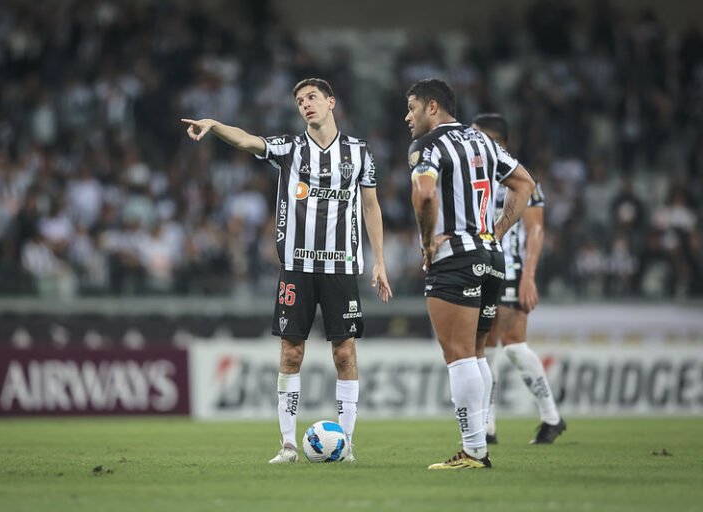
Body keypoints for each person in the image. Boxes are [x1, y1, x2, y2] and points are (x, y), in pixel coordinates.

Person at [182, 78, 393, 464]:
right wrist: (214, 125)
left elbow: (371, 208)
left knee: (344, 352)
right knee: (290, 352)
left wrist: (379, 260)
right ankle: (288, 445)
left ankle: (346, 445)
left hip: (341, 267)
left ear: (331, 101)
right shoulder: (290, 149)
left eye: (312, 97)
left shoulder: (360, 153)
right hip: (296, 267)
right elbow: (247, 141)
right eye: (299, 101)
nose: (306, 104)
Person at [405, 79, 534, 469]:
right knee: (477, 354)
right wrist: (497, 230)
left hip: (455, 259)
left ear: (432, 107)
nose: (406, 116)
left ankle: (474, 450)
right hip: (493, 258)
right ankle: (478, 444)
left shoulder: (426, 146)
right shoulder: (484, 142)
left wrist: (427, 242)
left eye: (411, 107)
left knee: (459, 355)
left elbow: (425, 194)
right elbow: (524, 183)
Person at [472, 113, 566, 445]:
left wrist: (529, 276)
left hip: (511, 269)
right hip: (483, 268)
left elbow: (535, 229)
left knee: (512, 345)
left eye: (479, 136)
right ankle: (489, 425)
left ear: (498, 142)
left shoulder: (519, 176)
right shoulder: (474, 173)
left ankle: (551, 417)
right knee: (485, 347)